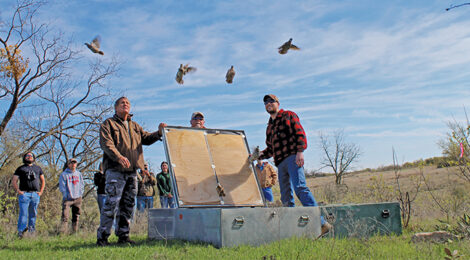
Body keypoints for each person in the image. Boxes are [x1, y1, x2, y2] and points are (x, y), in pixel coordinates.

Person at [257, 94, 332, 235]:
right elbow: (270, 149)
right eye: (266, 102)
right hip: (280, 163)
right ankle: (292, 229)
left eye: (271, 101)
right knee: (285, 196)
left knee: (300, 188)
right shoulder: (269, 127)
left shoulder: (288, 115)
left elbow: (300, 134)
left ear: (277, 103)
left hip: (292, 157)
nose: (268, 103)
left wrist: (300, 152)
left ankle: (321, 223)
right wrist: (257, 155)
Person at [96, 96, 166, 246]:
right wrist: (118, 156)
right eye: (122, 103)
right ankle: (102, 237)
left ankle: (124, 236)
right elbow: (106, 143)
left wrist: (159, 132)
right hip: (115, 170)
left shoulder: (134, 126)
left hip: (132, 172)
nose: (125, 104)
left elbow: (146, 138)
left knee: (128, 205)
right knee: (111, 204)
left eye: (127, 103)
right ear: (116, 108)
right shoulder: (109, 124)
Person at [11, 152, 45, 238]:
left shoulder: (38, 168)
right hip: (24, 194)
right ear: (24, 158)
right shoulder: (20, 168)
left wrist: (40, 192)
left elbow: (43, 181)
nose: (29, 157)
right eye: (27, 156)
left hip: (35, 194)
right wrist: (18, 191)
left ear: (33, 158)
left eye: (31, 156)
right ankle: (21, 232)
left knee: (33, 214)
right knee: (23, 214)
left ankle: (31, 232)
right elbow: (14, 180)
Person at [58, 158, 84, 234]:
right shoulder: (64, 174)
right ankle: (63, 232)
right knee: (65, 216)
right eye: (71, 163)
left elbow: (82, 184)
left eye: (74, 163)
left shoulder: (78, 174)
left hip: (77, 198)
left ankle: (74, 232)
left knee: (76, 215)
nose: (73, 165)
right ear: (68, 164)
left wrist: (80, 194)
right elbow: (62, 187)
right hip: (68, 199)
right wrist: (65, 195)